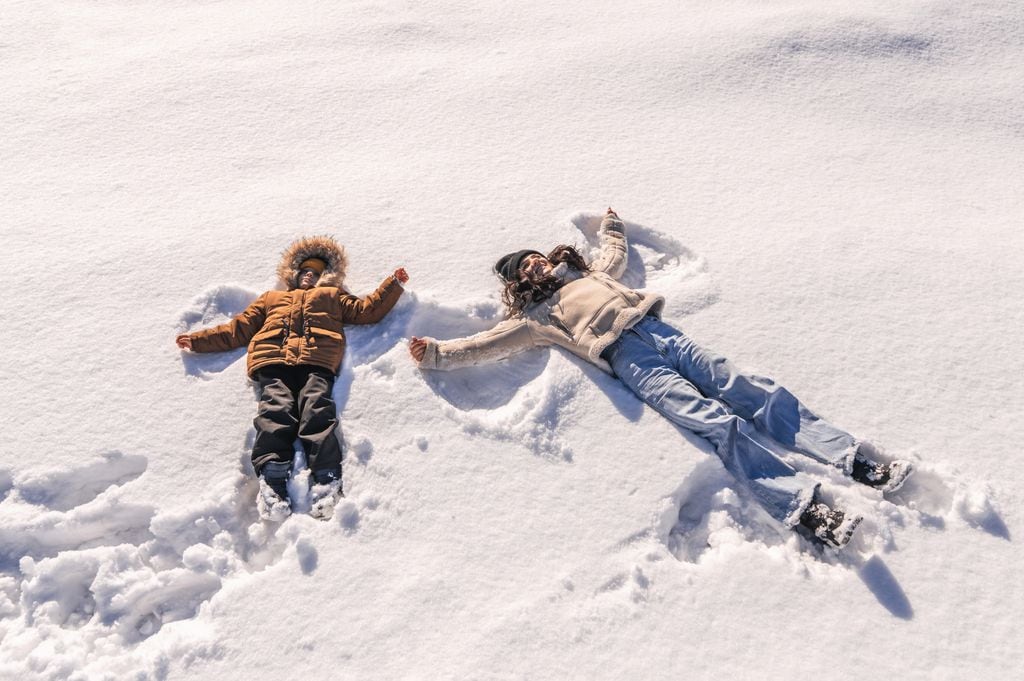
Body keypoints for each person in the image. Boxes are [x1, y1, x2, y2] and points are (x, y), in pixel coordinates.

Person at [409, 209, 911, 548]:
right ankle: (804, 507)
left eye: (538, 256)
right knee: (714, 422)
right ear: (521, 282)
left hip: (662, 333)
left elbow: (615, 255)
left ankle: (853, 458)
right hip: (631, 361)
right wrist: (435, 353)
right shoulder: (536, 318)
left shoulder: (590, 277)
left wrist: (611, 223)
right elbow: (487, 343)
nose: (537, 264)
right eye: (527, 267)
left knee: (747, 388)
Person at [177, 235, 408, 521]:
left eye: (316, 272)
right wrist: (199, 341)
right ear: (294, 274)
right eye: (304, 271)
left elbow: (367, 310)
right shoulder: (271, 299)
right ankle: (273, 480)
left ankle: (326, 479)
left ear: (327, 276)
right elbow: (239, 328)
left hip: (317, 362)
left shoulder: (332, 297)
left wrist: (392, 286)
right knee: (276, 410)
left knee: (317, 409)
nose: (309, 276)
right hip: (273, 361)